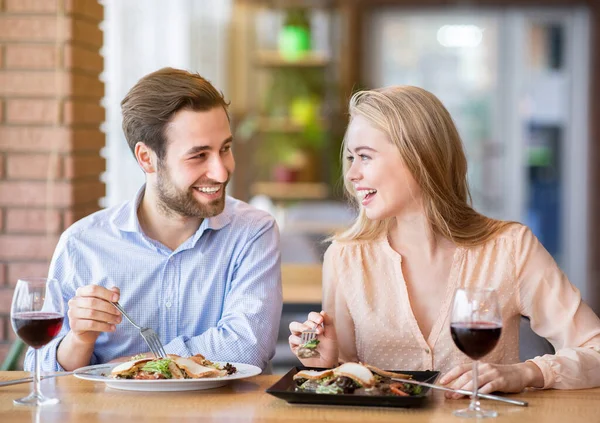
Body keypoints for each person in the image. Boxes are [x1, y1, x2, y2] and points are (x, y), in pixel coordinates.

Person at [288, 86, 600, 397]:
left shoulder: (511, 248)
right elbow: (346, 380)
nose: (352, 173)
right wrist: (322, 365)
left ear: (418, 155)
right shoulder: (345, 258)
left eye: (365, 157)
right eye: (351, 158)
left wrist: (525, 372)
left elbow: (595, 349)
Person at [26, 67, 282, 372]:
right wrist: (80, 339)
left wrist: (133, 365)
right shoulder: (83, 244)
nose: (221, 171)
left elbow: (246, 348)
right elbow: (39, 371)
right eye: (199, 156)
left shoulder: (252, 232)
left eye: (224, 149)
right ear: (147, 158)